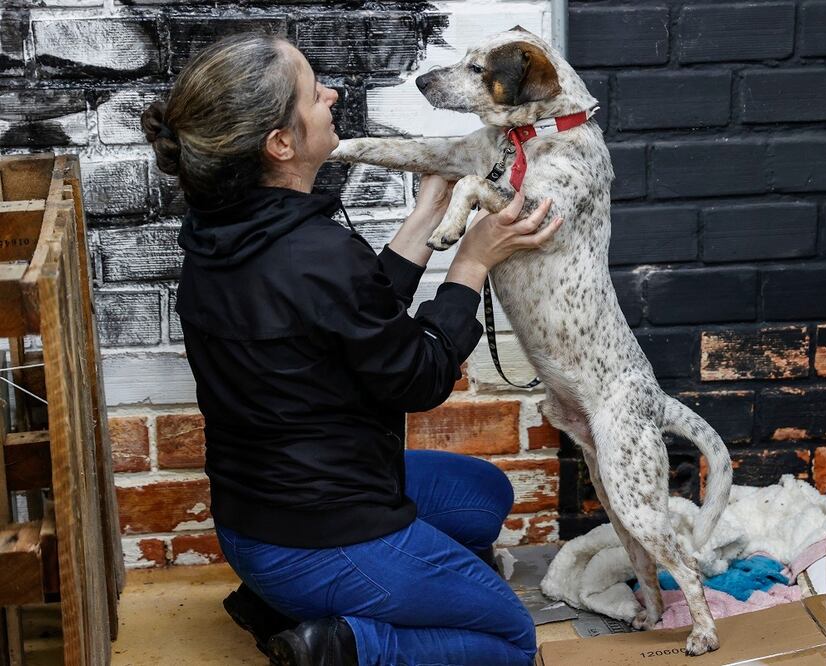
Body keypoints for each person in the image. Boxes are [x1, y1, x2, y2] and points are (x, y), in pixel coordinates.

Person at [140, 33, 563, 666]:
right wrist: (471, 260)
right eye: (313, 94)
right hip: (318, 536)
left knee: (481, 496)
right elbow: (417, 377)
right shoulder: (316, 254)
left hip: (255, 524)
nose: (331, 95)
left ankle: (278, 603)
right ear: (281, 145)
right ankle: (342, 642)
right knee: (511, 640)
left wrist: (427, 213)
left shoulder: (220, 233)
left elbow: (349, 315)